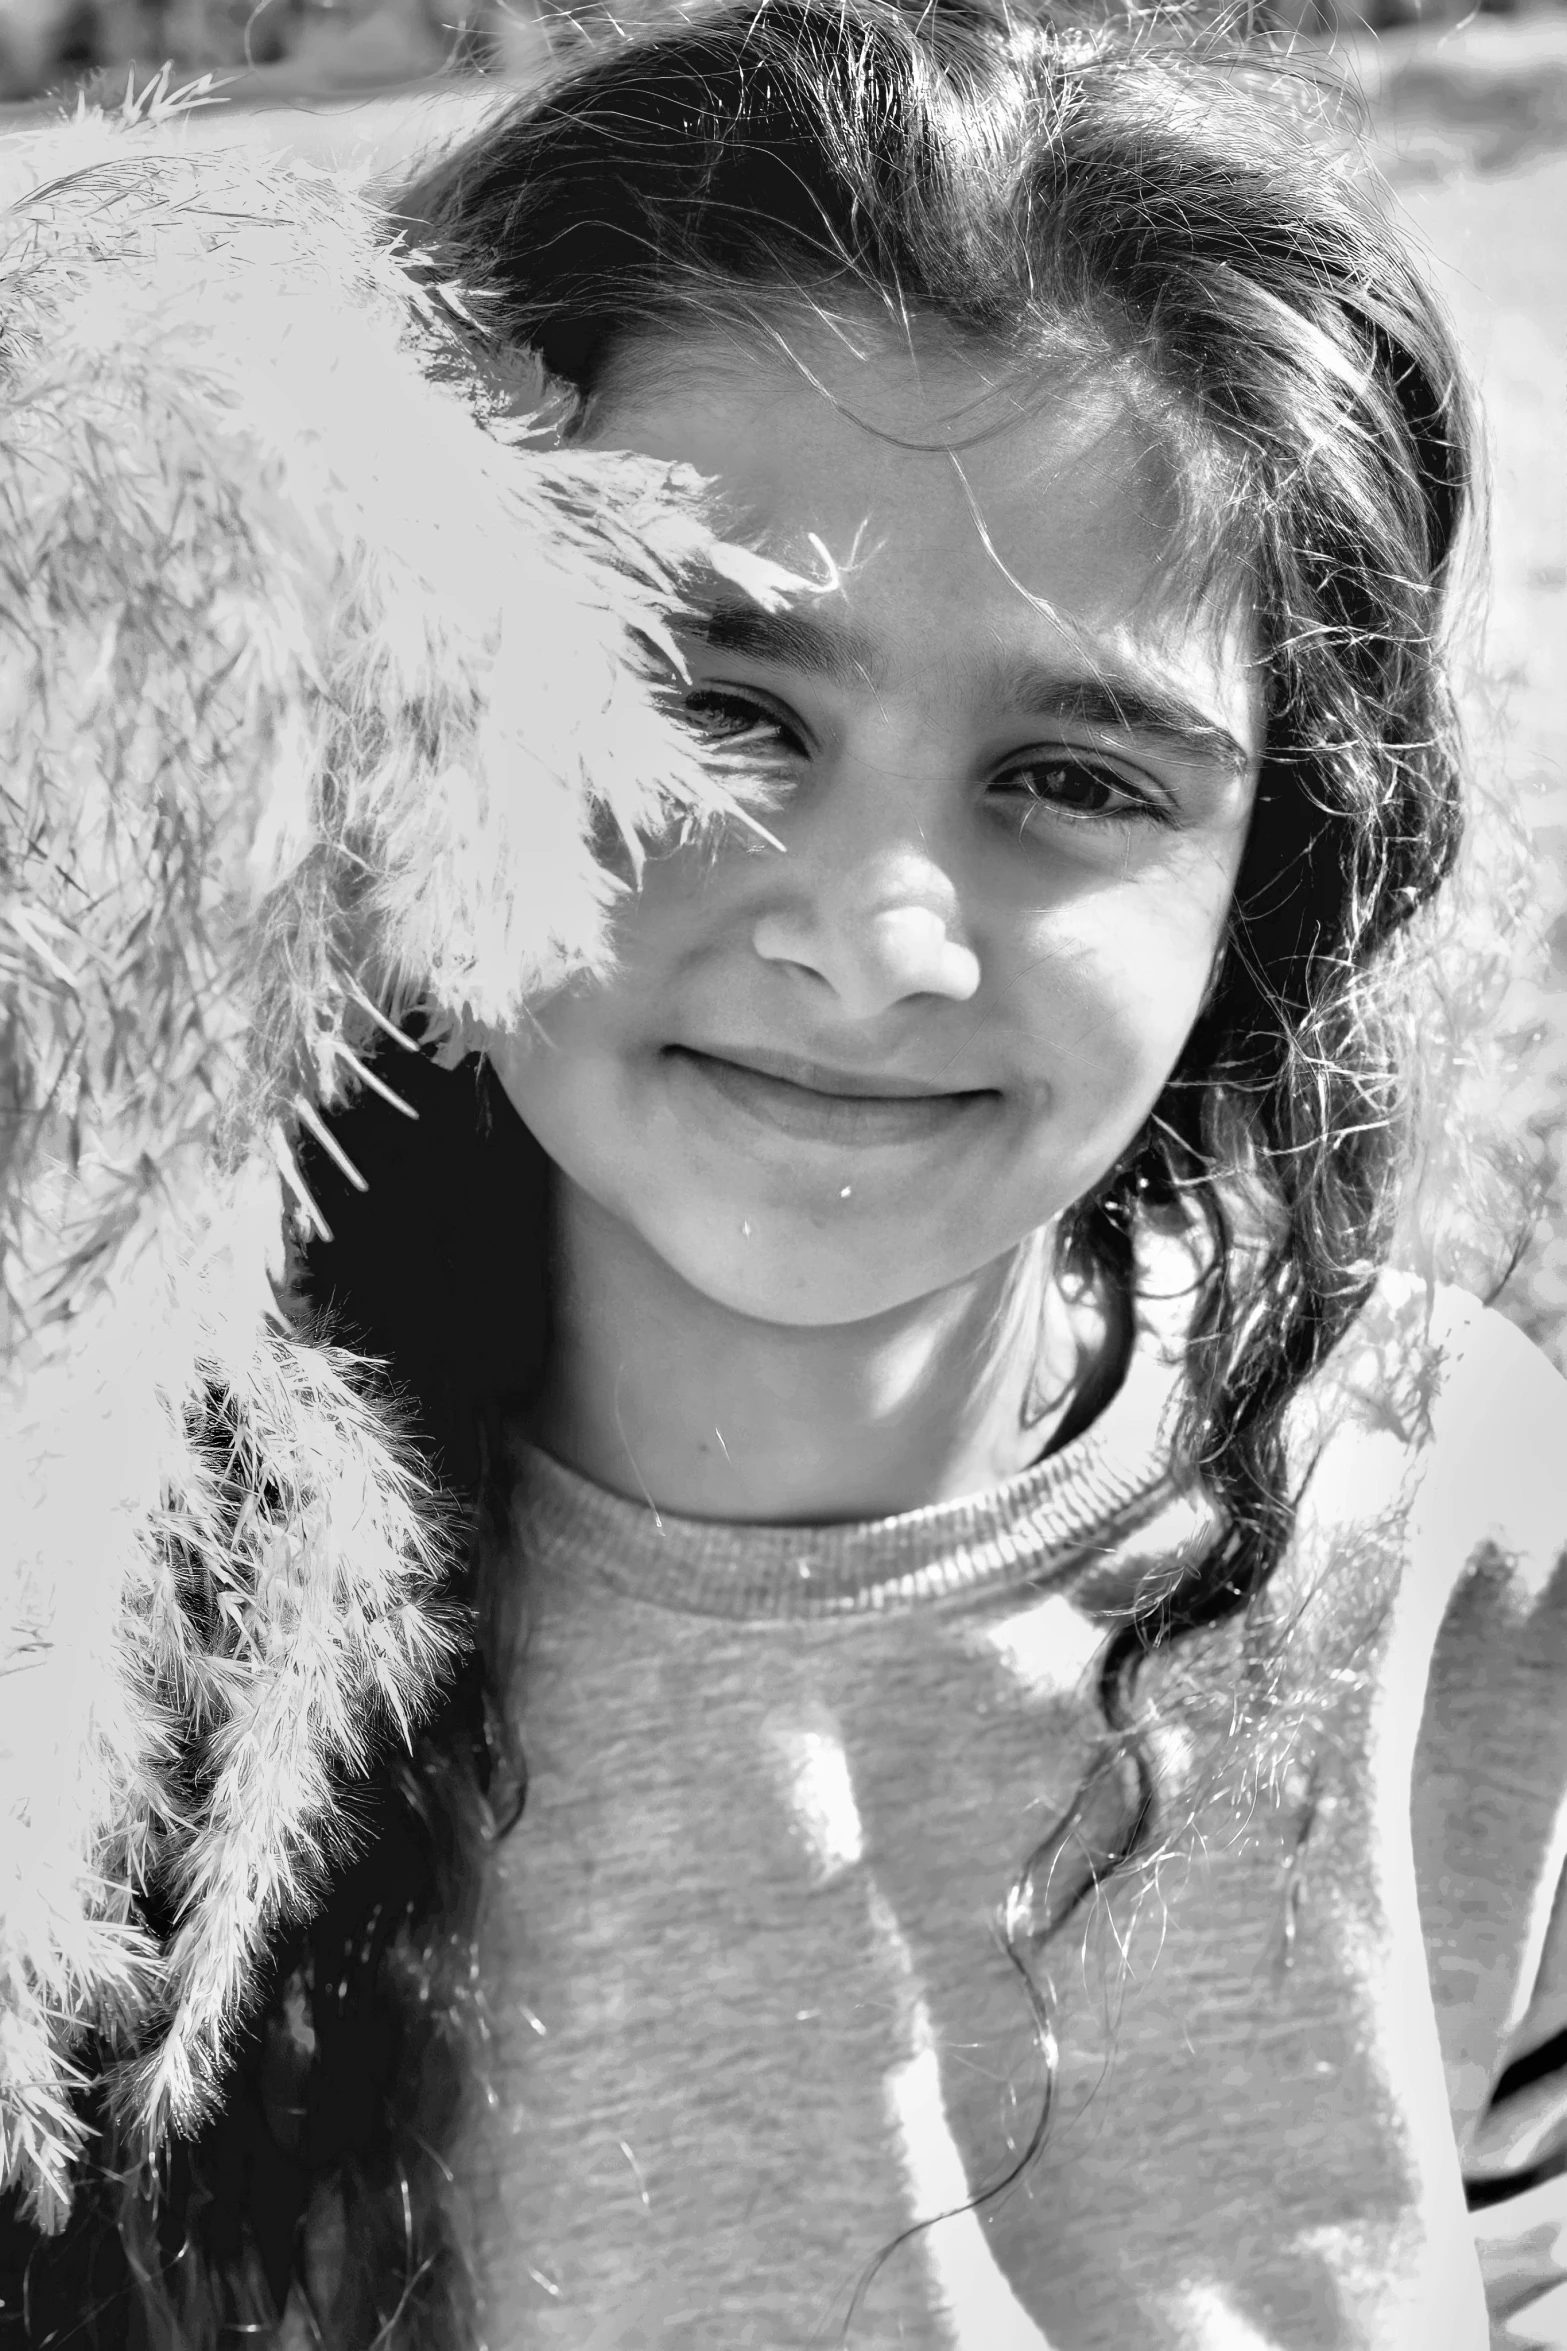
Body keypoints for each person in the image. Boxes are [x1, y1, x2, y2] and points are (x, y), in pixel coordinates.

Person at [2, 2, 1566, 2346]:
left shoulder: (1458, 1526)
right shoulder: (91, 1612)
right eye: (719, 705)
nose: (873, 939)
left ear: (1281, 872)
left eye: (1077, 775)